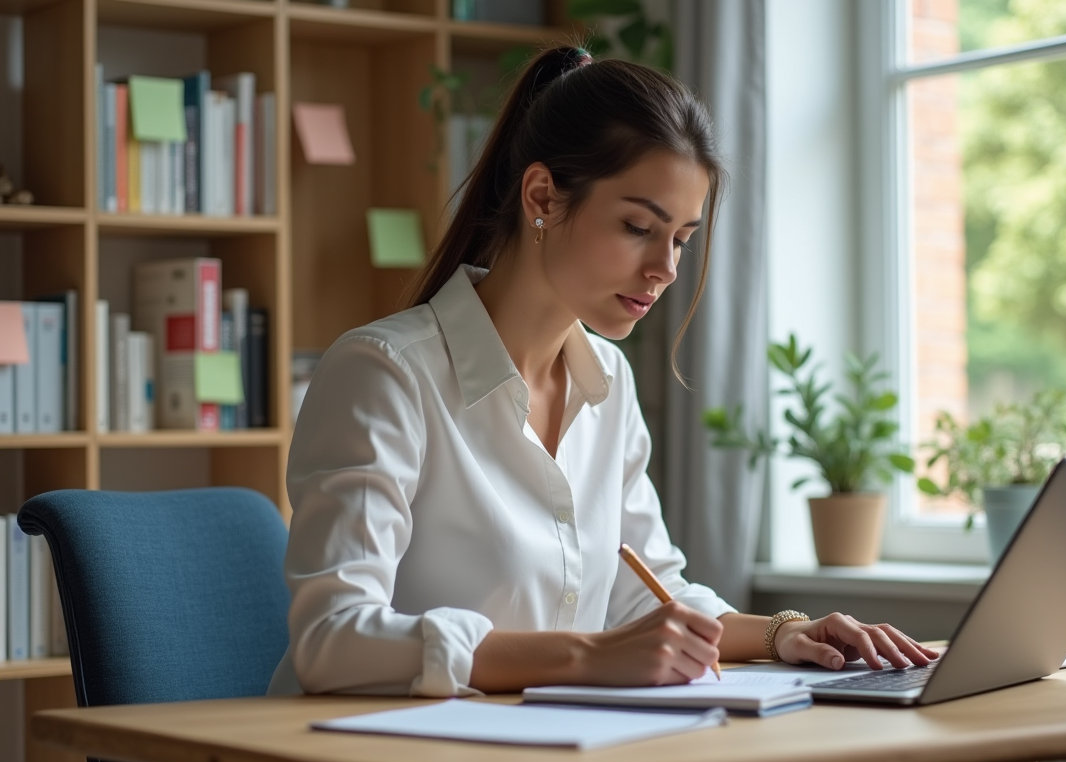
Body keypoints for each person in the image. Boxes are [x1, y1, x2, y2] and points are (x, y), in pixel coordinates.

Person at [266, 45, 938, 702]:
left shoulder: (606, 382)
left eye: (680, 238)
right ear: (543, 197)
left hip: (546, 760)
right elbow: (334, 640)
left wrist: (787, 634)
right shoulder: (385, 375)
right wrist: (586, 657)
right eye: (637, 226)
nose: (665, 269)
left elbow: (646, 596)